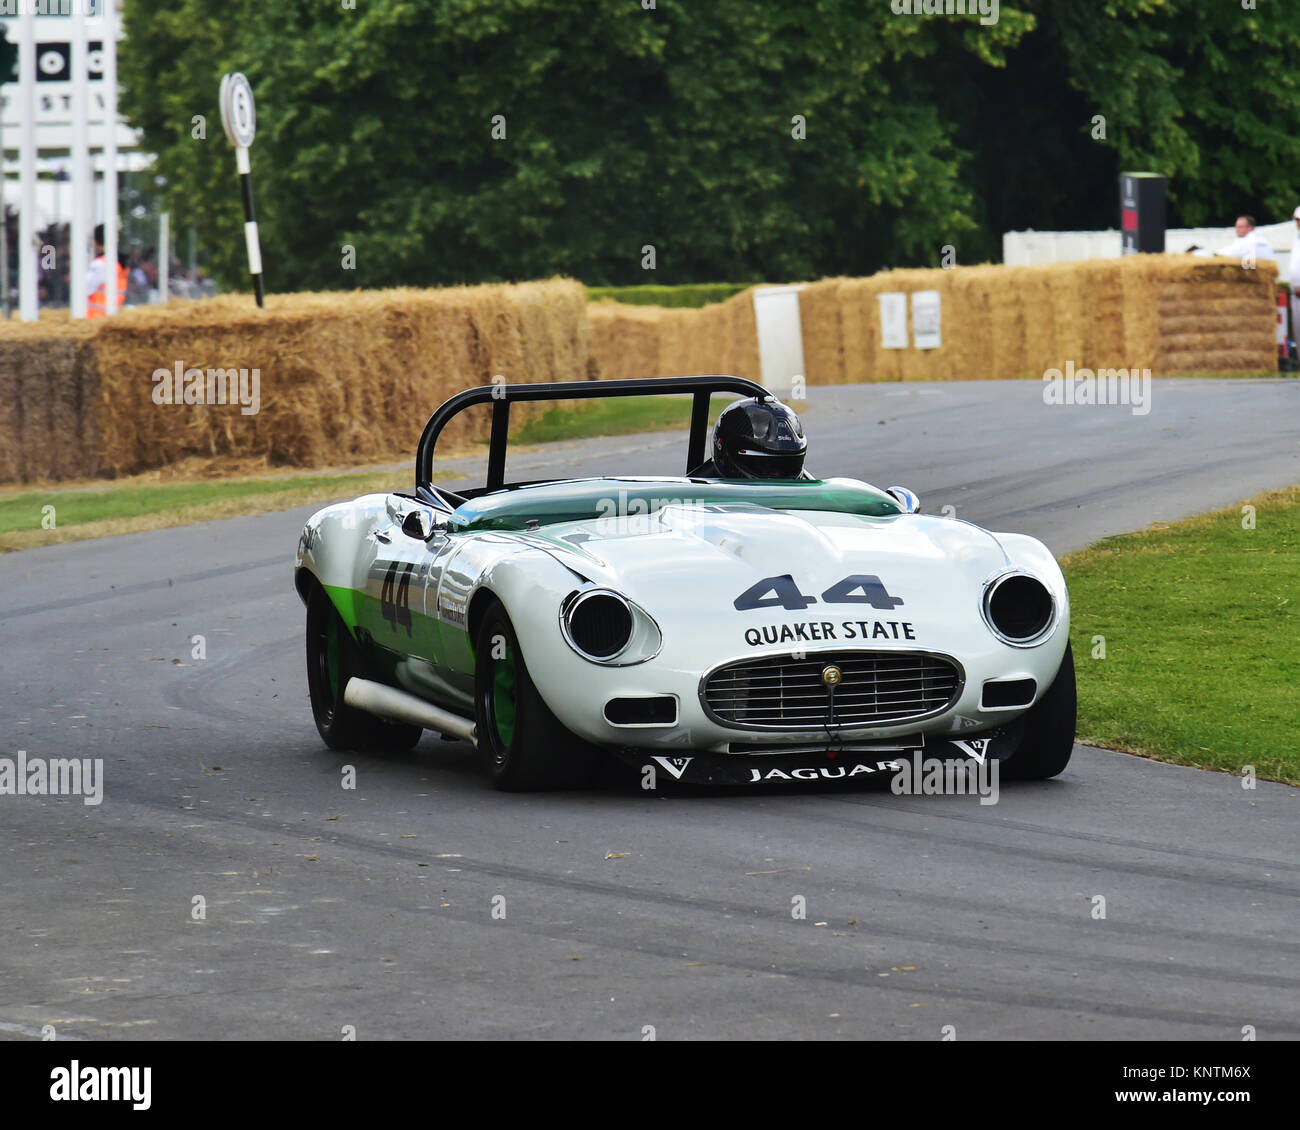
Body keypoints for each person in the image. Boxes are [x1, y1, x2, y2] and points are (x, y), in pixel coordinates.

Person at [689, 396, 810, 479]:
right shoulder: (695, 501)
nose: (778, 476)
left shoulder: (814, 496)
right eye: (766, 467)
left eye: (787, 467)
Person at [1193, 214, 1276, 263]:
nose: (1237, 230)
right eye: (1236, 227)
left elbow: (1227, 253)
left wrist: (1209, 254)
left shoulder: (1247, 241)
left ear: (1250, 228)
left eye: (1240, 227)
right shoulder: (1264, 241)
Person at [86, 224, 128, 318]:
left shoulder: (101, 264)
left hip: (96, 318)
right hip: (110, 318)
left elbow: (84, 288)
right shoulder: (118, 263)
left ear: (97, 241)